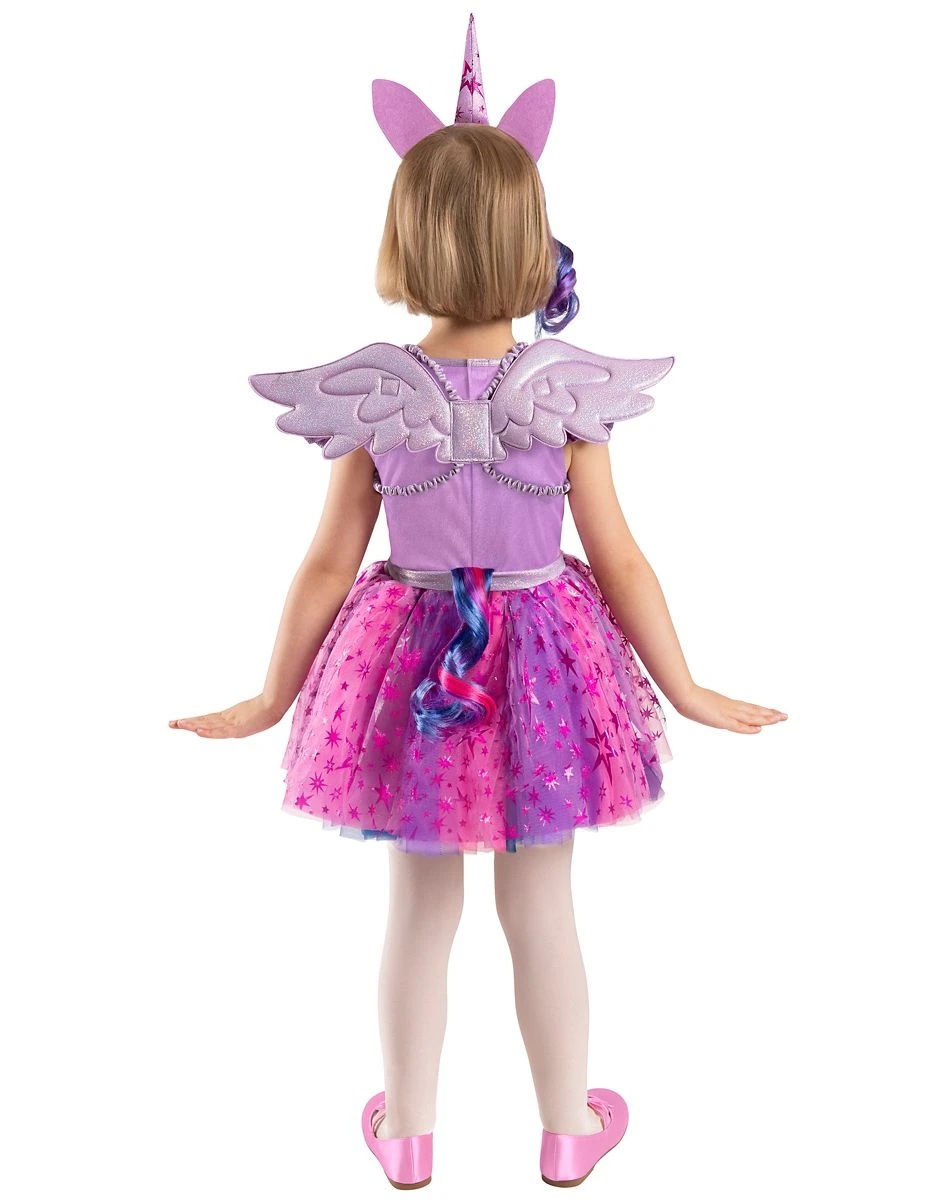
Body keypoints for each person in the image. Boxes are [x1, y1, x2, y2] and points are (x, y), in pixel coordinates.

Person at [169, 14, 787, 1190]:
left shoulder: (376, 394)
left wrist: (271, 695)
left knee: (417, 903)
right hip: (546, 664)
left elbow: (325, 565)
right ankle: (566, 1129)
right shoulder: (566, 392)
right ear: (534, 239)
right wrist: (683, 688)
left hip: (410, 665)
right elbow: (619, 561)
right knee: (540, 902)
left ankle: (406, 1136)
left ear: (403, 233)